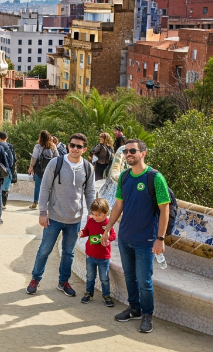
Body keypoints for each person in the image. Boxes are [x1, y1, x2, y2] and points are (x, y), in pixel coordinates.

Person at [102, 139, 171, 334]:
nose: (128, 154)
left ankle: (147, 315)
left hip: (146, 240)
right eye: (126, 151)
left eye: (133, 150)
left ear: (143, 153)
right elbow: (118, 205)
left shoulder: (155, 178)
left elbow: (164, 210)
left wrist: (160, 239)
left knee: (144, 280)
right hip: (125, 237)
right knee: (130, 276)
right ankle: (135, 309)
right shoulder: (124, 177)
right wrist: (107, 229)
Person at [27, 133, 95, 298]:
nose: (74, 148)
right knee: (45, 249)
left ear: (84, 149)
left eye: (79, 146)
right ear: (68, 146)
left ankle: (63, 281)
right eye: (72, 145)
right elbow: (44, 188)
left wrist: (92, 213)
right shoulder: (55, 163)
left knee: (68, 253)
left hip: (75, 219)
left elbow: (90, 192)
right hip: (54, 217)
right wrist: (43, 212)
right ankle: (35, 279)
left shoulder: (87, 167)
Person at [78, 198, 117, 307]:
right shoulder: (90, 221)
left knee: (104, 278)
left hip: (103, 257)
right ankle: (89, 293)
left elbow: (113, 235)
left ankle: (106, 295)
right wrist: (82, 233)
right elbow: (87, 231)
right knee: (90, 276)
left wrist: (109, 238)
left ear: (105, 213)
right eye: (94, 214)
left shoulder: (108, 223)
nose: (95, 217)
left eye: (98, 215)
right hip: (90, 255)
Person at [28, 131, 59, 209]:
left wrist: (31, 167)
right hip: (51, 169)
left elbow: (34, 158)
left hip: (39, 169)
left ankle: (35, 203)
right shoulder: (53, 146)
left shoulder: (38, 146)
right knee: (51, 187)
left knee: (38, 186)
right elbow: (57, 157)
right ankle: (51, 204)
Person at [0, 132, 17, 210]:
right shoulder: (10, 146)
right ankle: (3, 204)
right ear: (6, 137)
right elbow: (13, 159)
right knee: (5, 187)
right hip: (7, 169)